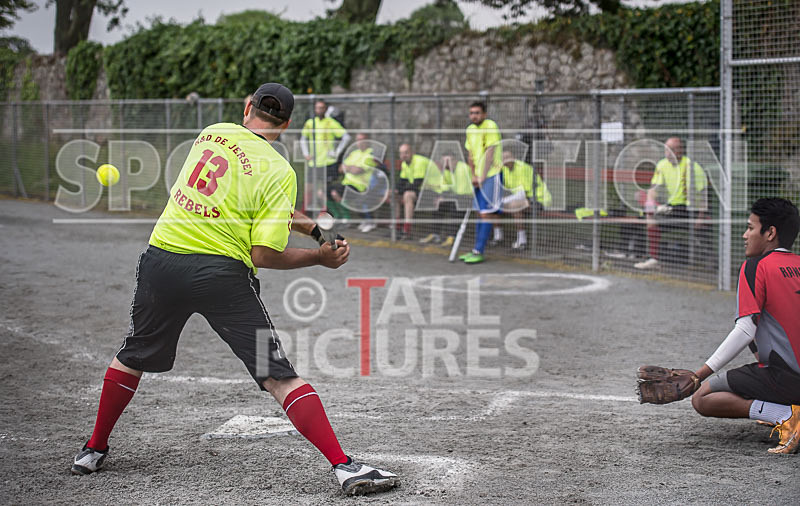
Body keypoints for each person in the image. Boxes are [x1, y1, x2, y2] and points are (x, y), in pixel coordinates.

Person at [70, 83, 400, 496]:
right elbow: (261, 253)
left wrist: (316, 230)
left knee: (132, 354)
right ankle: (344, 466)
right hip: (221, 278)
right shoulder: (280, 171)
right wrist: (320, 257)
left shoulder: (212, 133)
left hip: (163, 262)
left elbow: (246, 201)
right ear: (287, 124)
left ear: (248, 108)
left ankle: (92, 449)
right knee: (278, 375)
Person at [689, 198, 800, 454]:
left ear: (770, 233)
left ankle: (786, 417)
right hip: (789, 377)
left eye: (750, 227)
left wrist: (699, 375)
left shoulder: (755, 267)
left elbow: (746, 330)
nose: (744, 235)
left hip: (788, 378)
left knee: (702, 398)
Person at [635, 137, 707, 270]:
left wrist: (701, 217)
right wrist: (650, 202)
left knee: (652, 217)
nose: (668, 153)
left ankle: (654, 258)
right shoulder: (662, 165)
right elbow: (654, 188)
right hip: (670, 207)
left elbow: (702, 194)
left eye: (671, 150)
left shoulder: (692, 167)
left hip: (687, 209)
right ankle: (649, 257)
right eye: (666, 150)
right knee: (645, 212)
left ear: (680, 150)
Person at [458, 101, 503, 264]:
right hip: (478, 176)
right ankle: (476, 249)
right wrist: (473, 175)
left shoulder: (490, 126)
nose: (474, 116)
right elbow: (470, 154)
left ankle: (479, 250)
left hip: (492, 175)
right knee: (479, 212)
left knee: (486, 213)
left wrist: (483, 176)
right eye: (471, 113)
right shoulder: (470, 130)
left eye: (477, 113)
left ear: (484, 114)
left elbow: (489, 153)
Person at [300, 98, 351, 219]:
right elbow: (303, 139)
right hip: (314, 163)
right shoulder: (310, 123)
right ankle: (304, 214)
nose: (319, 110)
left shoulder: (331, 123)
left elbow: (346, 137)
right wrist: (306, 153)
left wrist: (336, 152)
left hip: (328, 163)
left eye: (322, 108)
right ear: (315, 109)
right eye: (318, 108)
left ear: (325, 109)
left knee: (324, 191)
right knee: (309, 188)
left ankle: (332, 215)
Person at [499, 151, 552, 250]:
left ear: (513, 159)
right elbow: (507, 188)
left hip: (539, 199)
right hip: (524, 199)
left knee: (514, 206)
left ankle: (522, 241)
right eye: (503, 162)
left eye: (506, 161)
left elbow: (522, 193)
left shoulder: (523, 168)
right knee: (498, 205)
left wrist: (505, 200)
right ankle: (498, 236)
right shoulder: (505, 169)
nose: (504, 164)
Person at [331, 133, 380, 233]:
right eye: (357, 140)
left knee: (335, 192)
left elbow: (358, 170)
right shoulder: (354, 153)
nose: (359, 143)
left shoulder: (371, 154)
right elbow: (340, 168)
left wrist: (348, 167)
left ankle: (349, 219)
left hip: (360, 185)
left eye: (362, 140)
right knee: (325, 191)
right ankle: (339, 216)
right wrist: (350, 168)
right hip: (346, 183)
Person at [396, 143, 433, 240]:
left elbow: (416, 183)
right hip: (422, 190)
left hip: (434, 191)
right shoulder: (405, 163)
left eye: (406, 153)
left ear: (412, 152)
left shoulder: (419, 161)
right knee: (395, 195)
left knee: (407, 195)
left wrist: (401, 190)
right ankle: (397, 228)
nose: (403, 155)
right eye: (401, 153)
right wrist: (395, 191)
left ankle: (407, 230)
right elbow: (402, 181)